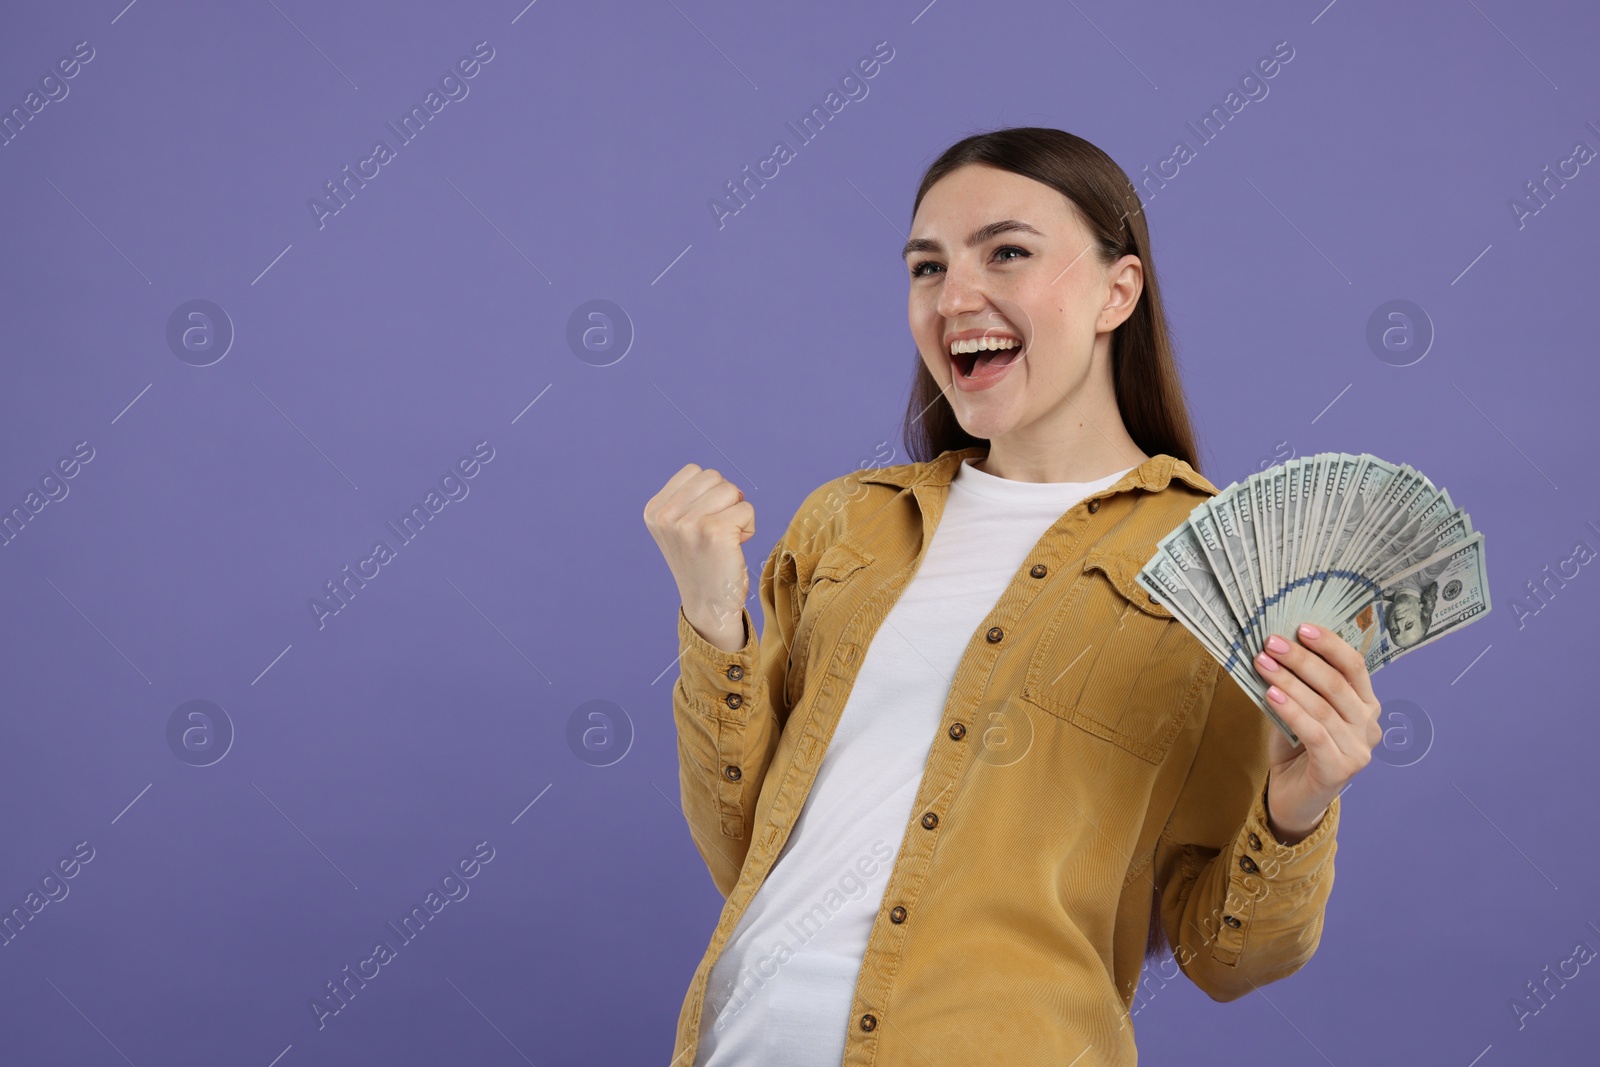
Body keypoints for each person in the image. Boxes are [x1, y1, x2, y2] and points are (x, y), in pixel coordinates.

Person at [644, 127, 1385, 1067]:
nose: (955, 298)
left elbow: (1225, 954)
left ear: (1120, 290)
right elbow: (745, 851)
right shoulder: (847, 527)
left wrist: (1300, 806)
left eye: (1007, 252)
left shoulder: (1223, 566)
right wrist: (716, 621)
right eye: (927, 266)